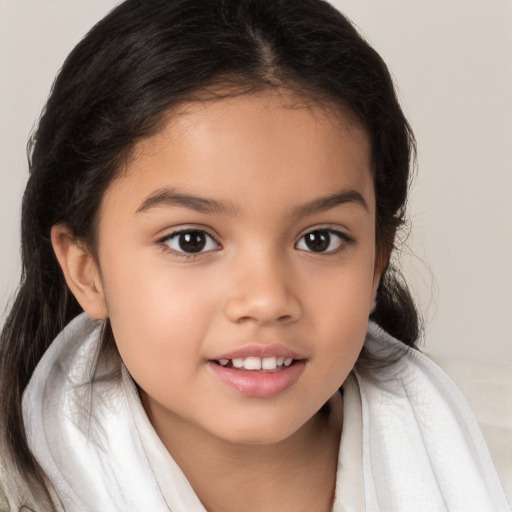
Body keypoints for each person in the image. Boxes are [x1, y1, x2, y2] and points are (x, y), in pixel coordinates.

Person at [0, 0, 508, 510]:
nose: (266, 301)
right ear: (86, 271)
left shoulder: (490, 466)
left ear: (376, 261)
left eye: (319, 239)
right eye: (191, 240)